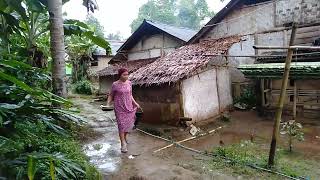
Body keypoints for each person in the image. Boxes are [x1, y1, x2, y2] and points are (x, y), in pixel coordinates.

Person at [107, 68, 140, 153]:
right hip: (119, 108)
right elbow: (111, 95)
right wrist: (108, 104)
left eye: (127, 74)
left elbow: (130, 95)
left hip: (128, 106)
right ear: (120, 75)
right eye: (124, 74)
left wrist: (135, 103)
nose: (126, 76)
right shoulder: (115, 84)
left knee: (128, 125)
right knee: (121, 125)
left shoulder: (129, 83)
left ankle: (124, 138)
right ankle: (123, 144)